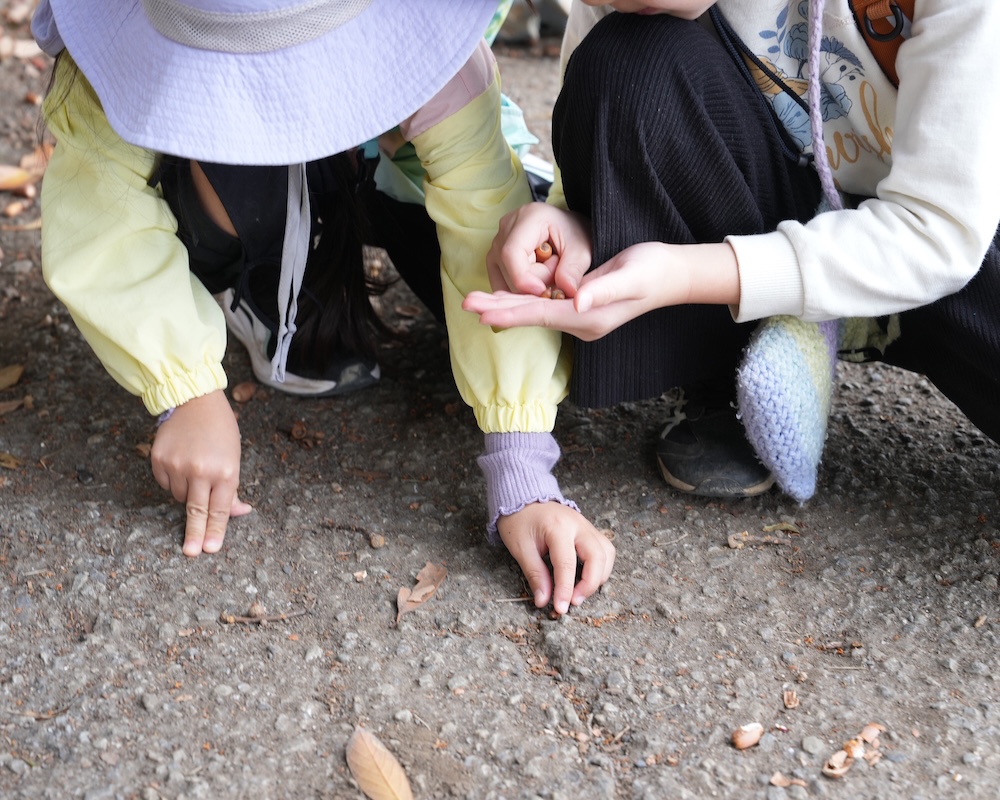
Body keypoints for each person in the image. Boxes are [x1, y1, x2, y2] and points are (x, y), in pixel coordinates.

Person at [32, 0, 616, 612]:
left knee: (544, 265)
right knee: (232, 150)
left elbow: (482, 214)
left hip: (388, 173)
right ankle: (262, 283)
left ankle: (314, 260)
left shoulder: (424, 59)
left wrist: (522, 463)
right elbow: (100, 216)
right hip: (244, 181)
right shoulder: (128, 56)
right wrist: (184, 388)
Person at [465, 0, 1000, 554]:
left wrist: (686, 273)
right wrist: (580, 224)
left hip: (956, 222)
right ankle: (725, 372)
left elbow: (942, 228)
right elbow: (595, 144)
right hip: (776, 195)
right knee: (625, 62)